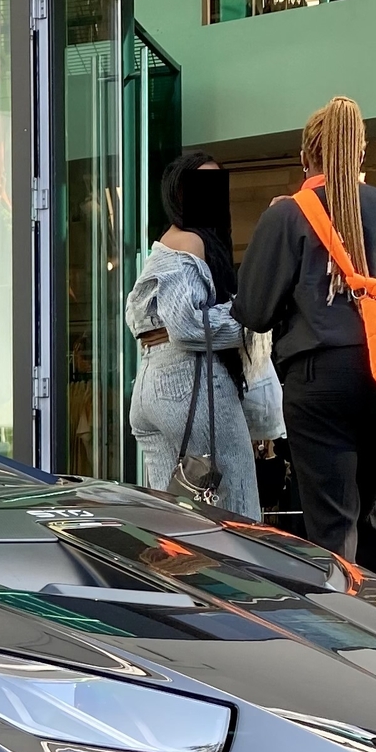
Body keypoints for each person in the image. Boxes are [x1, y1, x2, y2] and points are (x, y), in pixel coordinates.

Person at [236, 95, 376, 578]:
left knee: (331, 527)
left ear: (307, 157)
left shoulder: (288, 214)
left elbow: (255, 311)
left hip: (320, 378)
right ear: (361, 154)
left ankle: (340, 643)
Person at [127, 151, 259, 521]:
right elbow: (186, 326)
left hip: (152, 384)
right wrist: (253, 322)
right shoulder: (189, 242)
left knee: (176, 519)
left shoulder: (163, 246)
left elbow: (150, 320)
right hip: (190, 382)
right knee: (237, 513)